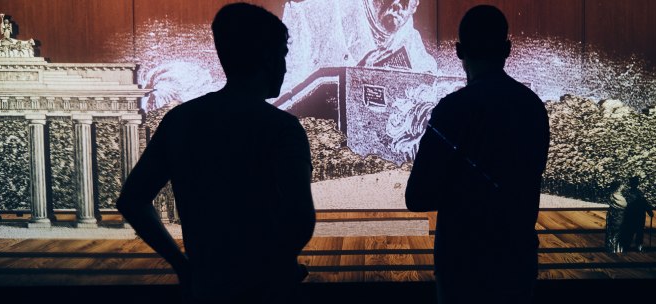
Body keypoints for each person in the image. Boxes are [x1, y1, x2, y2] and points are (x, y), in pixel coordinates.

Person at [116, 3, 316, 303]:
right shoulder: (282, 128)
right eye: (282, 56)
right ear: (268, 58)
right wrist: (276, 266)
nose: (285, 67)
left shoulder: (180, 121)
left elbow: (132, 200)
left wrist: (182, 266)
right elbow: (301, 220)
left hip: (207, 288)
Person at [404, 5, 550, 304]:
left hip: (461, 267)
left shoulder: (451, 110)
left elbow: (417, 197)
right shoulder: (533, 108)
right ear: (507, 49)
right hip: (515, 264)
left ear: (459, 51)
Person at [279, 0, 437, 95]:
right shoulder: (315, 14)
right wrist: (356, 77)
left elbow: (433, 82)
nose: (401, 5)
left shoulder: (407, 36)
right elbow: (284, 94)